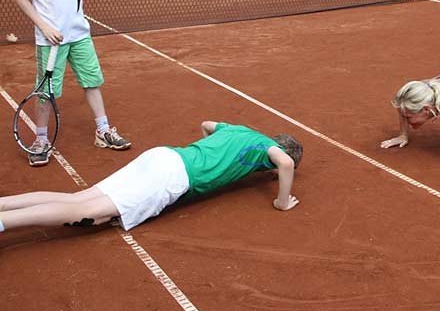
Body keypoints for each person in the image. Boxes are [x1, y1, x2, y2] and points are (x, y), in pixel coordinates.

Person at [0, 121, 303, 234]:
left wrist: (208, 154)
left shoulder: (241, 130)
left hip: (163, 156)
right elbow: (286, 162)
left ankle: (4, 206)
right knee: (90, 213)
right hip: (172, 175)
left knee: (78, 198)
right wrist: (281, 202)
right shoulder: (268, 150)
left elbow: (207, 124)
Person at [13, 0, 131, 167]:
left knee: (92, 82)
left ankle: (103, 131)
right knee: (46, 92)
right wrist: (45, 26)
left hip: (79, 35)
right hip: (50, 40)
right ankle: (41, 139)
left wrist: (71, 15)